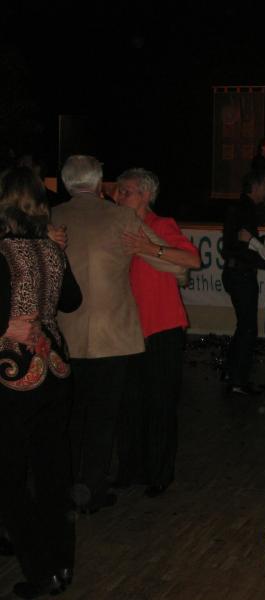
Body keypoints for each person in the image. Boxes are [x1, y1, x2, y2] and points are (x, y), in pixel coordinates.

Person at [51, 155, 182, 515]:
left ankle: (66, 486)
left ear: (66, 183)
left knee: (71, 416)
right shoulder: (120, 218)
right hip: (113, 335)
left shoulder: (52, 218)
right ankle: (91, 490)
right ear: (99, 183)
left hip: (66, 333)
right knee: (103, 416)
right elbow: (175, 265)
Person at [0, 167, 82, 598]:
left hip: (13, 374)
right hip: (55, 366)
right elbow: (72, 300)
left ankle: (39, 571)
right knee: (52, 472)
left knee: (10, 480)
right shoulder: (51, 249)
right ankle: (62, 564)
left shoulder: (3, 252)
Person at [113, 168, 200, 498]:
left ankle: (159, 473)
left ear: (146, 195)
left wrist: (149, 247)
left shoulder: (161, 225)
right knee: (129, 403)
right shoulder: (115, 226)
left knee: (160, 403)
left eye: (127, 191)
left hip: (162, 327)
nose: (119, 196)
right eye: (118, 191)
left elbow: (192, 260)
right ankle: (130, 469)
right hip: (127, 329)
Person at [221, 170, 265, 396]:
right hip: (241, 274)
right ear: (256, 187)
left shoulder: (239, 208)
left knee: (244, 326)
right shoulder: (246, 211)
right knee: (248, 327)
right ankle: (238, 379)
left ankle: (231, 372)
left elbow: (235, 246)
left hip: (234, 273)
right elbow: (242, 247)